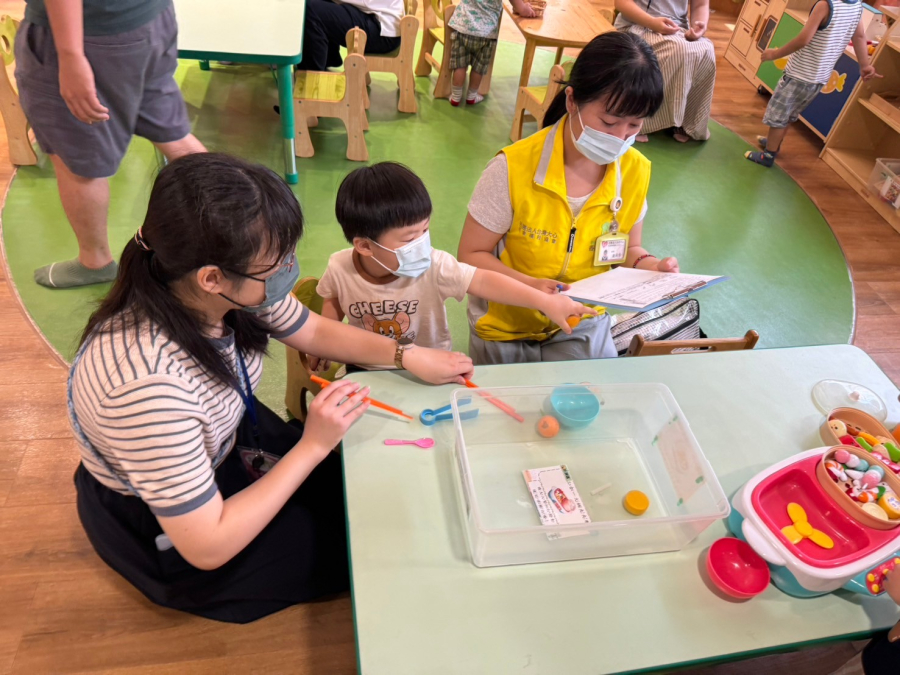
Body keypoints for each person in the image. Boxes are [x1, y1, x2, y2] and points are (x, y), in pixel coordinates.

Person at [70, 153, 473, 624]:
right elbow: (208, 545)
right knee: (366, 544)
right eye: (275, 263)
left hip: (230, 443)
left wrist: (407, 355)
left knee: (365, 498)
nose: (287, 270)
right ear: (212, 278)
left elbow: (314, 331)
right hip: (174, 522)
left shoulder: (211, 286)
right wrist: (312, 446)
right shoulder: (146, 387)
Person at [457, 32, 680, 365]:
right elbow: (471, 255)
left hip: (582, 320)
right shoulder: (513, 167)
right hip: (507, 323)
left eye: (633, 126)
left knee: (591, 402)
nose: (620, 139)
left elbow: (628, 250)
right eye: (608, 122)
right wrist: (535, 292)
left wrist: (651, 266)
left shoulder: (635, 171)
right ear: (572, 100)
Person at [307, 162, 594, 371]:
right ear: (365, 246)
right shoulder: (340, 266)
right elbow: (333, 300)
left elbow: (484, 281)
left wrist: (543, 301)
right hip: (367, 367)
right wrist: (325, 340)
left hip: (432, 365)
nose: (421, 243)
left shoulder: (435, 264)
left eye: (425, 230)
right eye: (409, 238)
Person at [15, 0, 205, 289]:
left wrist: (70, 55)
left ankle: (95, 262)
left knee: (76, 158)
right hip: (149, 18)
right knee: (171, 133)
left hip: (91, 33)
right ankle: (241, 227)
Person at [746, 0, 878, 168]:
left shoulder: (825, 5)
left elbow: (803, 39)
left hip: (799, 74)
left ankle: (768, 155)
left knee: (778, 115)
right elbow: (859, 36)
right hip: (819, 78)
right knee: (788, 113)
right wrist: (865, 65)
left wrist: (775, 54)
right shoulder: (856, 5)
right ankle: (774, 143)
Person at [614, 0, 715, 143]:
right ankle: (639, 121)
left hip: (677, 29)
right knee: (679, 49)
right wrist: (652, 23)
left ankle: (685, 123)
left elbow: (700, 5)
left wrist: (699, 27)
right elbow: (621, 3)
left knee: (706, 50)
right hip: (638, 24)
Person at [446, 0, 535, 106]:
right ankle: (471, 96)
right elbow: (520, 8)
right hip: (486, 33)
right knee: (478, 68)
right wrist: (526, 9)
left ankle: (456, 97)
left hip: (463, 26)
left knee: (460, 65)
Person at [296, 0, 403, 72]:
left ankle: (310, 81)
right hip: (378, 18)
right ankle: (328, 59)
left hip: (382, 31)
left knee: (310, 11)